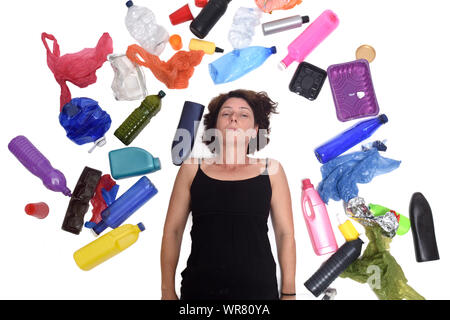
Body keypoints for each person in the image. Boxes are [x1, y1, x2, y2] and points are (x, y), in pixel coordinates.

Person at [160, 89, 296, 300]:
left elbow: (285, 234)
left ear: (255, 130)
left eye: (243, 115)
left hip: (258, 293)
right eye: (226, 114)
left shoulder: (272, 171)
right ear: (214, 126)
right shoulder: (191, 169)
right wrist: (167, 291)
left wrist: (289, 292)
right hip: (200, 292)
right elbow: (173, 231)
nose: (233, 118)